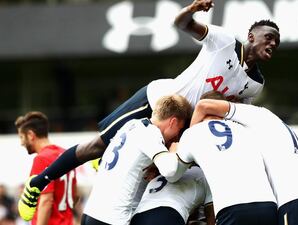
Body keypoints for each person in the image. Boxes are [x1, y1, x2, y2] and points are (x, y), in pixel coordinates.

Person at [18, 0, 280, 220]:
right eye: (268, 37)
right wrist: (192, 9)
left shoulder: (255, 84)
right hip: (158, 101)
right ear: (250, 37)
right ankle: (38, 182)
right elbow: (181, 24)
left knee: (164, 176)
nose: (272, 44)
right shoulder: (224, 42)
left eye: (276, 42)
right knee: (96, 147)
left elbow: (234, 115)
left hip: (182, 126)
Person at [189, 99, 298, 225]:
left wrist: (189, 141)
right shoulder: (275, 125)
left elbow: (203, 106)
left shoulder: (255, 115)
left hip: (293, 204)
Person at [80, 94, 192, 225]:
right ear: (173, 122)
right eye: (179, 129)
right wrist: (175, 151)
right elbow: (170, 172)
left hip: (90, 212)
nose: (176, 135)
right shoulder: (151, 134)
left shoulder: (131, 125)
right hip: (112, 219)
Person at [15, 111, 77, 225]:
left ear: (30, 135)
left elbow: (46, 201)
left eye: (21, 137)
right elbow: (75, 196)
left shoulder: (41, 158)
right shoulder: (66, 154)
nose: (21, 143)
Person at [130, 166, 214, 225]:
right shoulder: (204, 175)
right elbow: (211, 217)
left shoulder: (162, 172)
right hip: (168, 214)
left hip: (138, 216)